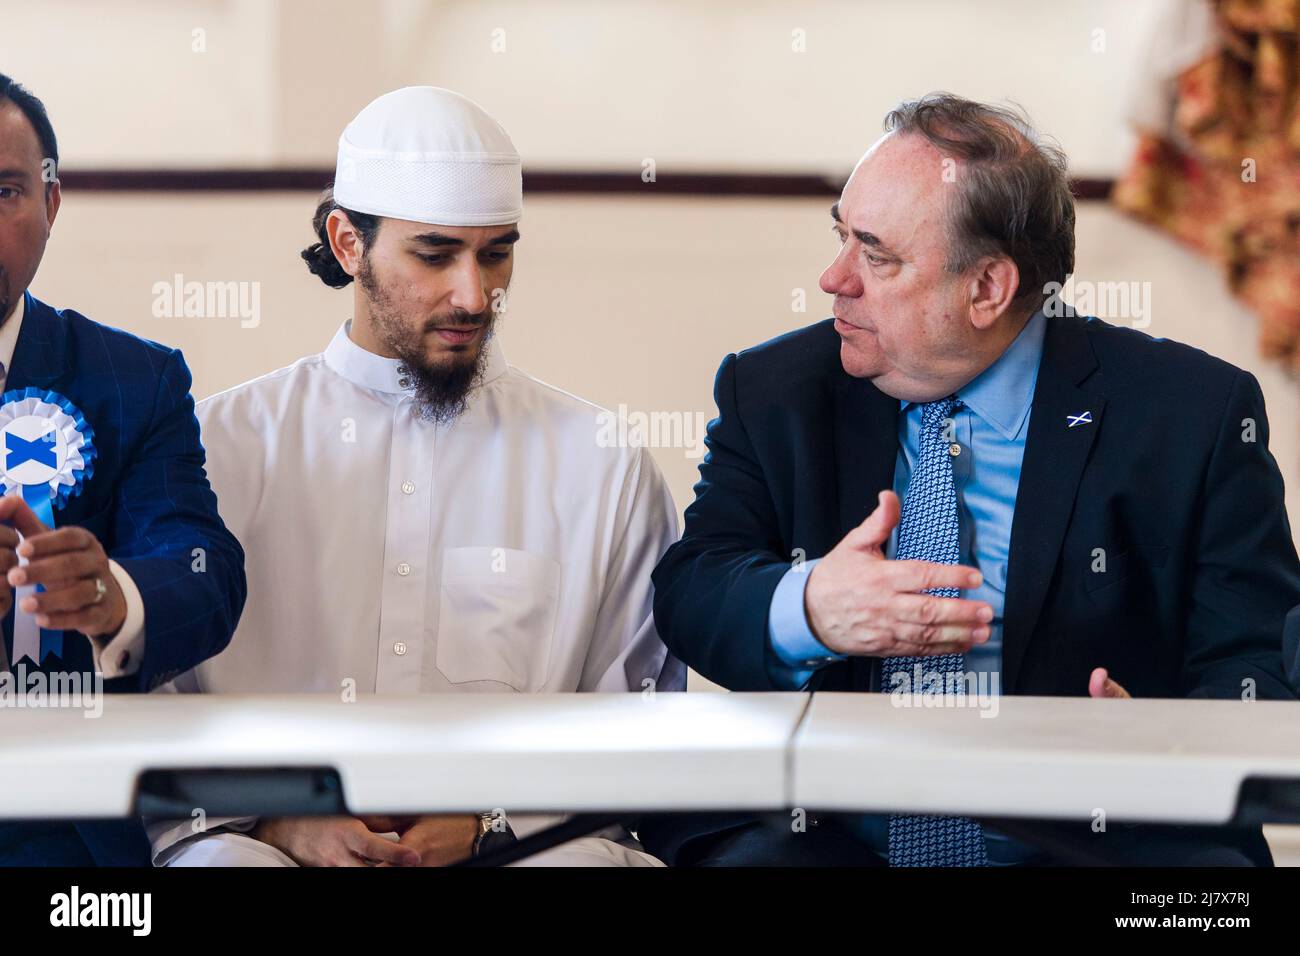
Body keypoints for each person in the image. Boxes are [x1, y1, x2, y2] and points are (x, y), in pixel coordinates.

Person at [642, 92, 1300, 867]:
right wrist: (809, 605)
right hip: (828, 845)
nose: (833, 278)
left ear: (987, 288)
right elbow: (693, 588)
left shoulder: (1191, 412)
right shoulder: (776, 390)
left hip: (1094, 842)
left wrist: (1169, 741)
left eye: (875, 254)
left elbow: (1258, 660)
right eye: (841, 236)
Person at [149, 87, 685, 867]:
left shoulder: (602, 463)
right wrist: (272, 825)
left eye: (497, 252)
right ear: (346, 243)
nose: (475, 294)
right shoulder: (218, 448)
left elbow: (639, 736)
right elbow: (156, 710)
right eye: (434, 255)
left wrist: (493, 825)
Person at [0, 73, 246, 866]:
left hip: (55, 829)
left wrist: (110, 597)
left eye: (3, 191)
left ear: (51, 206)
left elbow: (204, 570)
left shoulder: (134, 381)